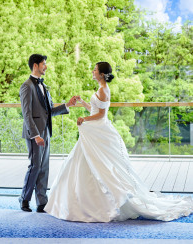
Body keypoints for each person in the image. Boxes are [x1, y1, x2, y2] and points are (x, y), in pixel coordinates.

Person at [45, 61, 193, 222]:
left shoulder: (103, 90)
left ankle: (100, 203)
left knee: (98, 164)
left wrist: (84, 119)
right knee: (87, 162)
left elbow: (101, 115)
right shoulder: (101, 90)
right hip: (94, 130)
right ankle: (87, 201)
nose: (93, 72)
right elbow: (95, 110)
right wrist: (82, 103)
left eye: (95, 70)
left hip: (98, 129)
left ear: (102, 74)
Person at [19, 54, 77, 213]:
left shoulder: (44, 87)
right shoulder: (26, 86)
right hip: (35, 133)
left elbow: (49, 111)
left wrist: (68, 105)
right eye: (44, 64)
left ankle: (41, 202)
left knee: (44, 167)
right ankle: (24, 199)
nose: (46, 67)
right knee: (35, 166)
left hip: (46, 131)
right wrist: (35, 135)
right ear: (35, 65)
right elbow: (27, 114)